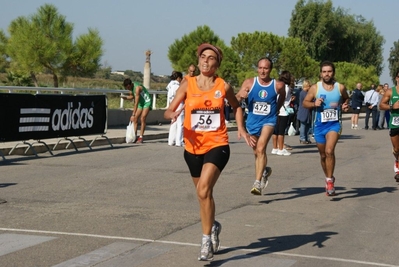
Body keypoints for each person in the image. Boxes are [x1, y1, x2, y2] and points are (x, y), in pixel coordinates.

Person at [164, 43, 250, 261]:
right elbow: (168, 110)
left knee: (203, 190)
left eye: (211, 58)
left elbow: (237, 106)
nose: (206, 61)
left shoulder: (223, 86)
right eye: (203, 56)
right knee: (204, 196)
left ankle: (205, 242)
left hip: (217, 144)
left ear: (217, 63)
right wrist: (171, 115)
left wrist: (241, 128)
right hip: (192, 147)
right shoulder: (188, 84)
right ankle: (212, 225)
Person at [236, 57, 286, 195]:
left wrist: (277, 108)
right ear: (257, 68)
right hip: (252, 121)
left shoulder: (277, 85)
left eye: (266, 68)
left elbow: (282, 95)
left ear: (270, 70)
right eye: (260, 68)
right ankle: (264, 170)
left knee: (261, 147)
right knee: (256, 152)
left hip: (269, 120)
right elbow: (236, 100)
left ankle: (257, 183)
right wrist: (241, 96)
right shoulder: (249, 83)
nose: (262, 71)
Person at [302, 61, 350, 196]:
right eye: (324, 72)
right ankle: (328, 176)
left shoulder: (339, 87)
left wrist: (346, 105)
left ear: (333, 73)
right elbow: (305, 103)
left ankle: (330, 182)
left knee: (329, 151)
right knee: (323, 155)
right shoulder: (315, 88)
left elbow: (346, 99)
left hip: (334, 124)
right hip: (319, 126)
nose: (326, 74)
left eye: (329, 71)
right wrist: (313, 103)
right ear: (320, 73)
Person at [379, 71, 399, 182]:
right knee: (397, 149)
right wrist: (392, 106)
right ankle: (397, 160)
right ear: (397, 78)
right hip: (395, 123)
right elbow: (381, 105)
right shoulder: (391, 92)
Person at [122, 78, 152, 143]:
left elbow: (136, 102)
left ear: (130, 84)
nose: (128, 89)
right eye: (126, 88)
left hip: (146, 102)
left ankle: (141, 137)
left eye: (128, 87)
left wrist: (133, 114)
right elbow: (132, 97)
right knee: (135, 119)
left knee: (142, 118)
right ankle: (134, 136)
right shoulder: (131, 89)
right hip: (141, 103)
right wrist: (126, 97)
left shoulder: (137, 88)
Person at [271, 70, 294, 156]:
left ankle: (275, 147)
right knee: (281, 131)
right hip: (283, 111)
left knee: (275, 131)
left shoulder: (277, 86)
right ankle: (281, 148)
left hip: (276, 110)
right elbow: (282, 98)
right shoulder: (286, 87)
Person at [166, 71, 184, 146]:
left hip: (172, 105)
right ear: (179, 78)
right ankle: (179, 141)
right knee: (180, 123)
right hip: (179, 104)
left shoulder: (170, 85)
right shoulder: (177, 86)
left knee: (173, 122)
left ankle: (171, 140)